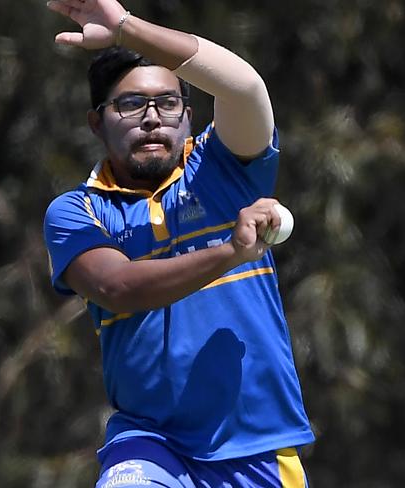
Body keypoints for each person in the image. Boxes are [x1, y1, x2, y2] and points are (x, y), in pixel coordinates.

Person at [43, 0, 315, 486]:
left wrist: (127, 29)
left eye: (167, 103)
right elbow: (119, 287)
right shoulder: (75, 212)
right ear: (96, 122)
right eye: (130, 104)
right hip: (150, 443)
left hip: (257, 444)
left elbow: (245, 87)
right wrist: (230, 251)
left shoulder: (223, 169)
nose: (152, 118)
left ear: (188, 116)